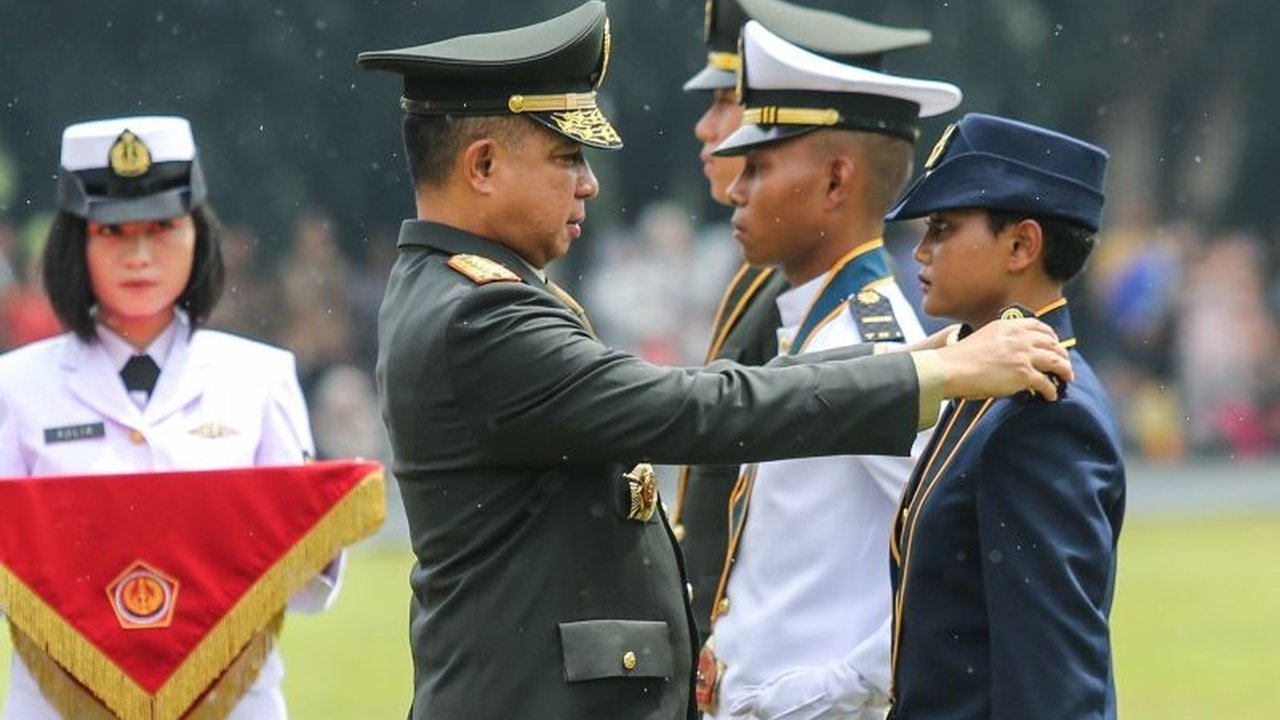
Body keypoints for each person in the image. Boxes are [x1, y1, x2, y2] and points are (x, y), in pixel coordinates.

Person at [357, 3, 1071, 717]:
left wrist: (910, 362)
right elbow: (688, 408)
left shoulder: (461, 290)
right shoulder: (479, 313)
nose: (588, 184)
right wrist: (931, 376)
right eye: (566, 157)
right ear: (482, 165)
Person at [0, 116, 339, 720]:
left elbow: (308, 592)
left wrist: (315, 521)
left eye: (161, 228)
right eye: (112, 232)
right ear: (75, 243)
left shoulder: (260, 379)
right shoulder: (15, 388)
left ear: (198, 235)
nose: (139, 256)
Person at [696, 20, 961, 720]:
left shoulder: (883, 345)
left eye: (758, 168)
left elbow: (958, 557)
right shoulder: (809, 326)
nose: (735, 190)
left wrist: (828, 692)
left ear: (837, 181)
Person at [883, 113, 1126, 719]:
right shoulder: (988, 377)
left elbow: (1053, 678)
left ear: (1021, 245)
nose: (921, 250)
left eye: (941, 228)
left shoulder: (1043, 410)